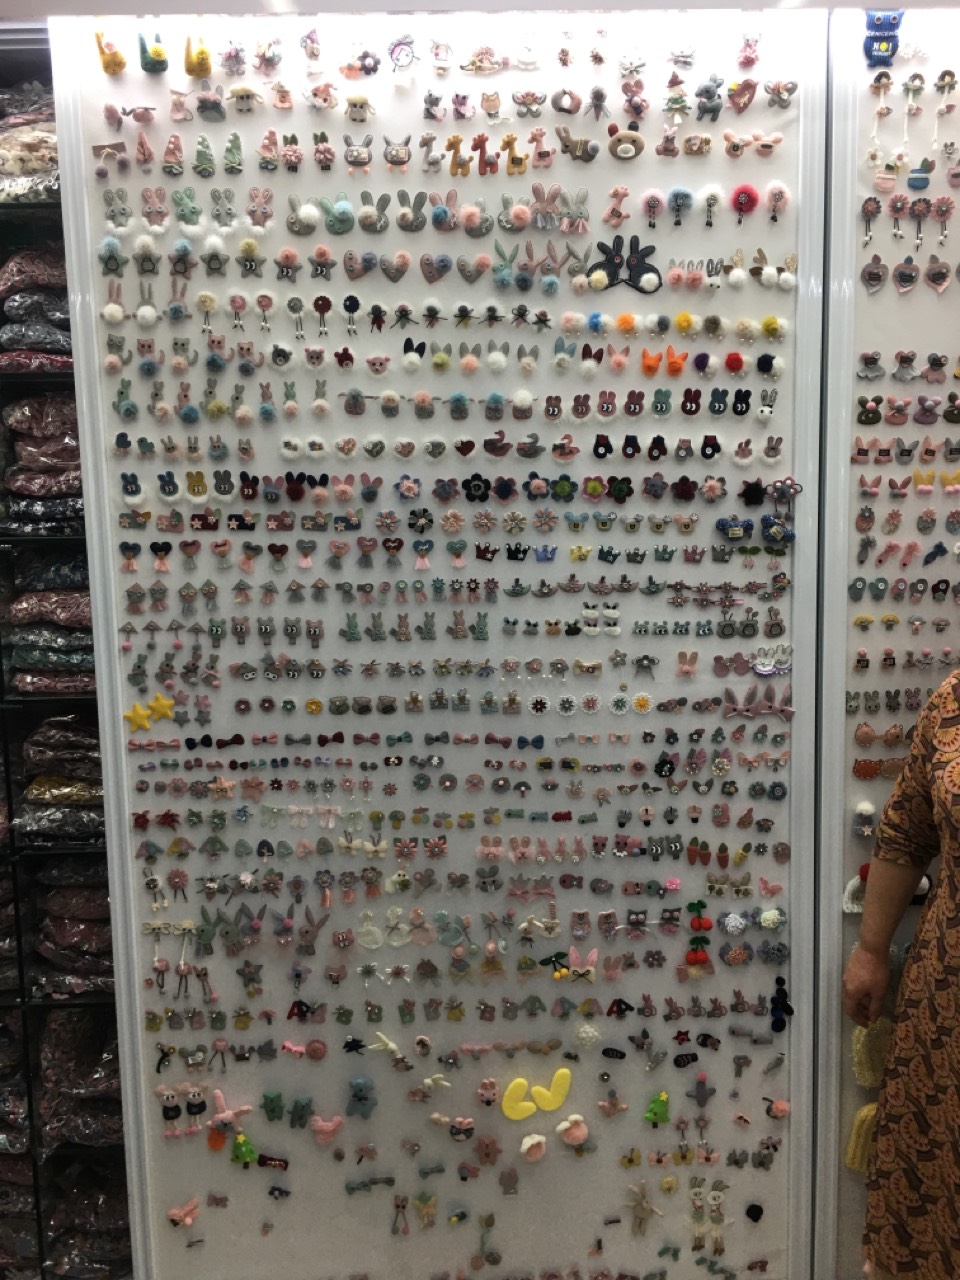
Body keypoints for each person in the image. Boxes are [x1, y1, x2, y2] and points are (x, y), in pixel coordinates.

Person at [841, 674, 960, 1280]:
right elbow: (906, 834)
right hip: (949, 1000)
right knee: (936, 1176)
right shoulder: (953, 701)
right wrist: (869, 950)